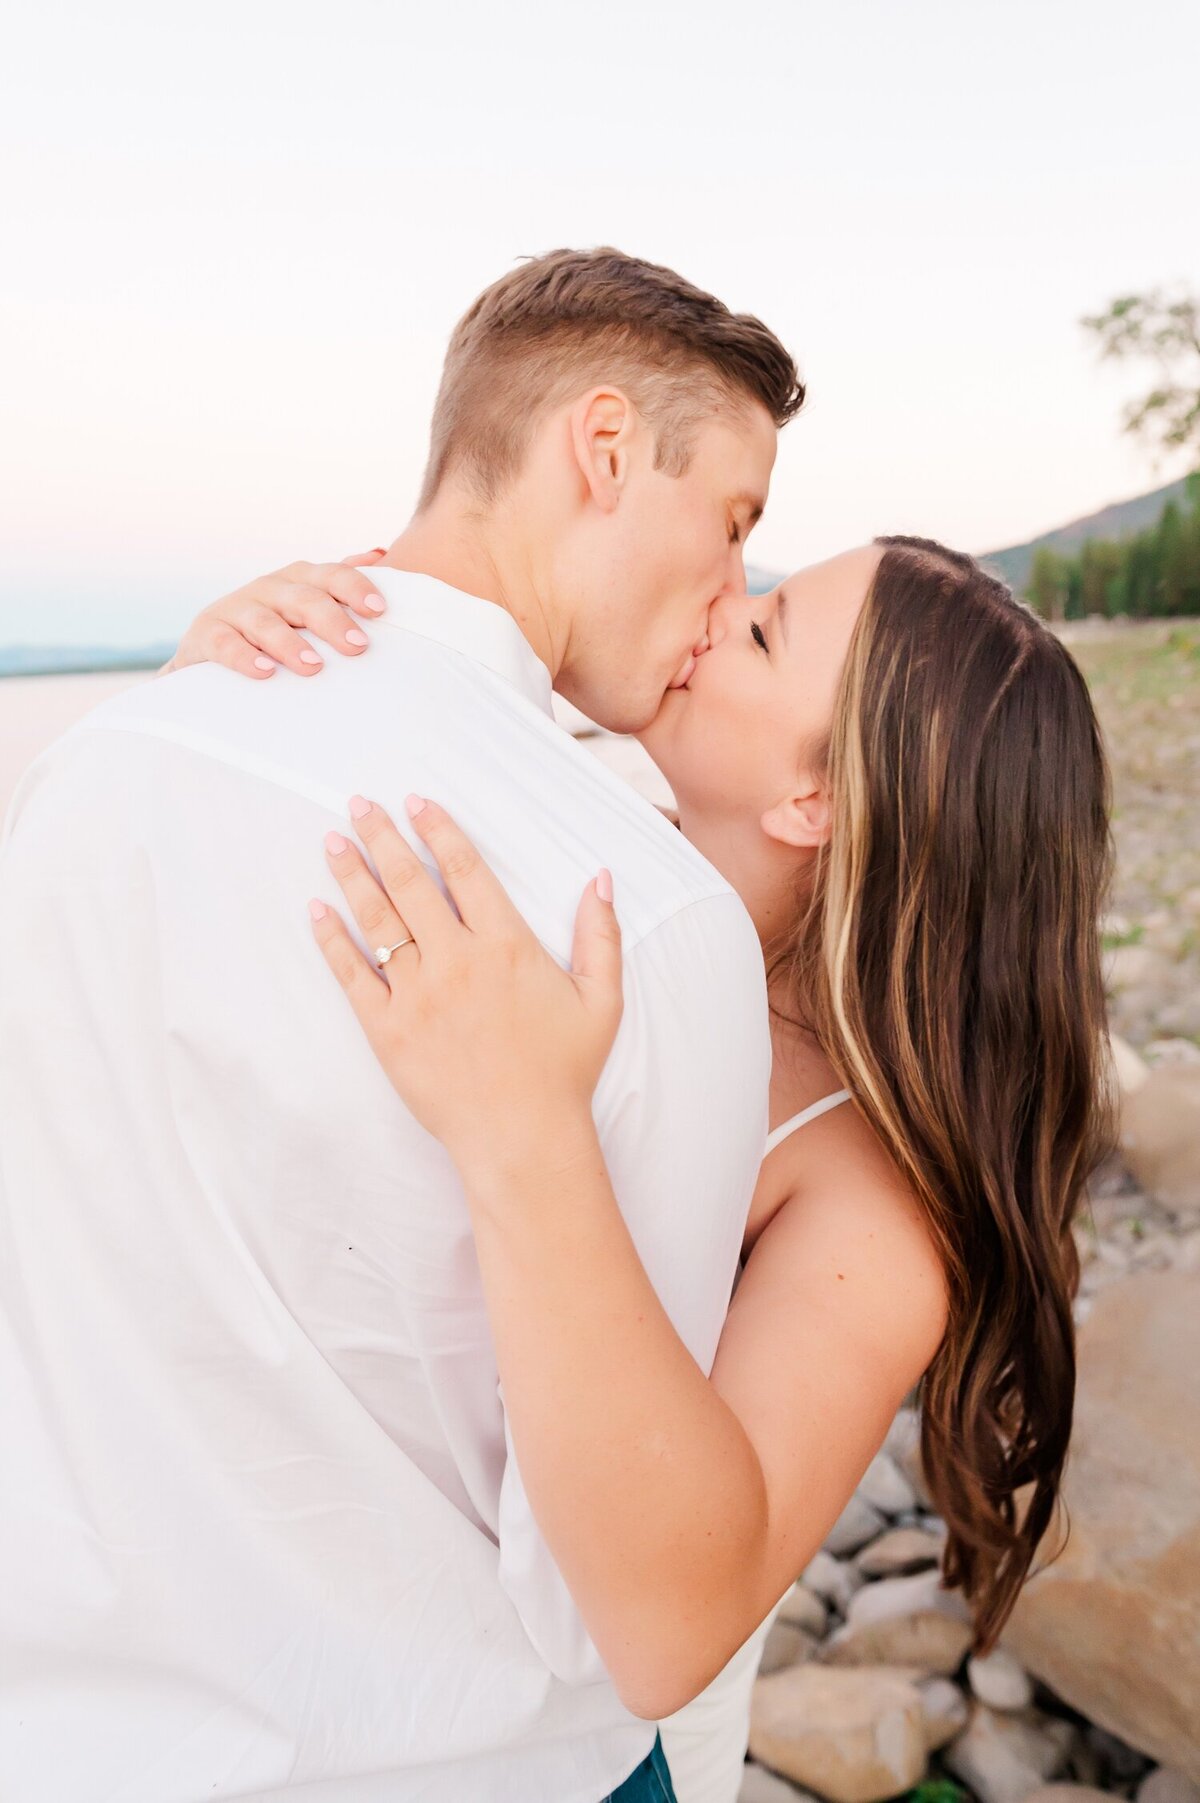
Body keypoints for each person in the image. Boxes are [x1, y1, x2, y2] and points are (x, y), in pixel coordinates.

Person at [0, 249, 802, 1803]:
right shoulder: (642, 919)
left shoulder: (98, 768)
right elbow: (609, 1605)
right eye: (737, 522)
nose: (733, 591)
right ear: (608, 445)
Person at [170, 532, 1114, 1803]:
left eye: (768, 630)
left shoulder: (871, 1215)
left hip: (565, 1765)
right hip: (311, 1687)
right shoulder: (565, 860)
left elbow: (671, 1628)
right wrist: (229, 680)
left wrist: (525, 1125)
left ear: (816, 802)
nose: (721, 603)